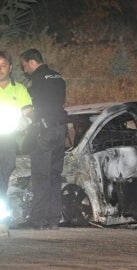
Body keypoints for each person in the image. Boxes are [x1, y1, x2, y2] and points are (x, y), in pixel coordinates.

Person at [20, 49, 67, 230]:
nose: (24, 71)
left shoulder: (36, 82)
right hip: (60, 130)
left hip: (44, 132)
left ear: (32, 62)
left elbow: (33, 109)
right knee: (55, 175)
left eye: (24, 66)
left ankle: (38, 219)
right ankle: (54, 219)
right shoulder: (57, 77)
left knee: (40, 175)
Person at [0, 51, 33, 229]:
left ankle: (1, 221)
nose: (0, 69)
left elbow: (29, 112)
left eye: (3, 65)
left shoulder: (19, 89)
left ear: (10, 67)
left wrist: (24, 121)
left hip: (7, 143)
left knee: (3, 180)